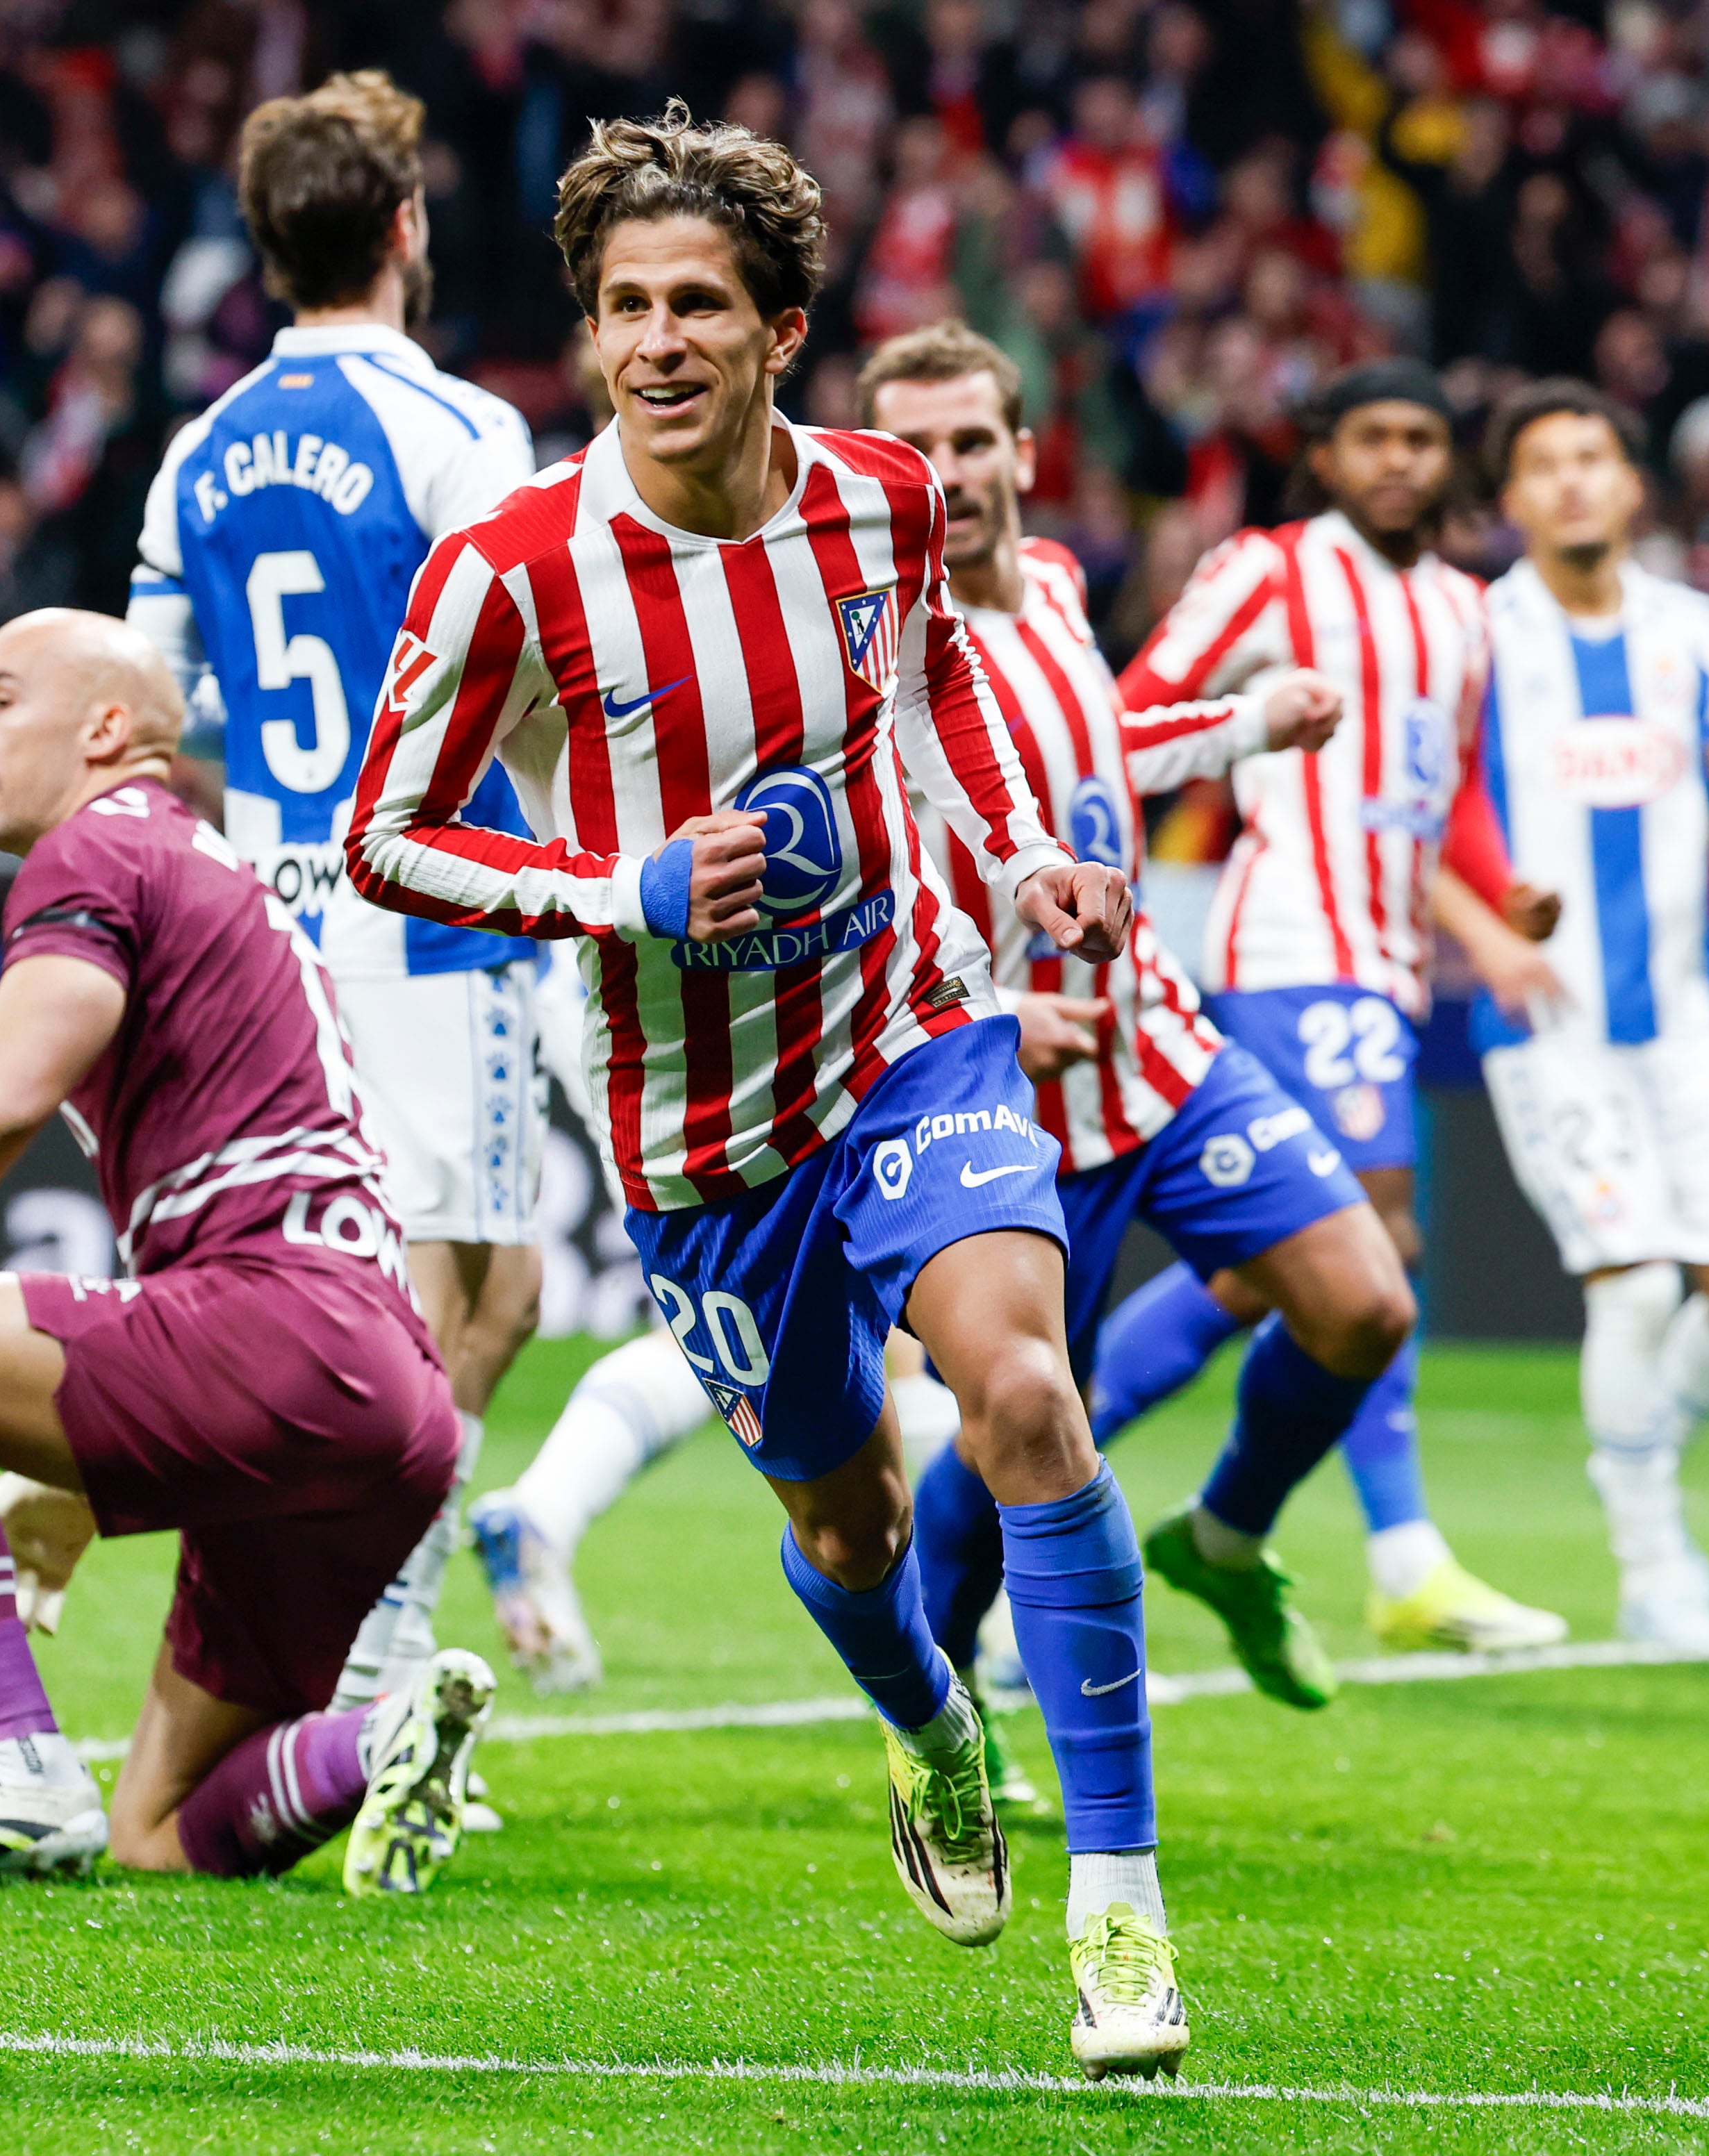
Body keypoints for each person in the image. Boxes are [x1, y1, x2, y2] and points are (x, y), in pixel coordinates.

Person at [347, 106, 1185, 2078]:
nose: (656, 342)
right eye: (624, 306)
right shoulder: (514, 568)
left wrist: (1014, 863)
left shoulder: (885, 503)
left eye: (698, 305)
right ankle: (923, 1725)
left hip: (911, 1032)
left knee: (1031, 1393)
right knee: (847, 1524)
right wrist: (605, 889)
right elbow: (385, 831)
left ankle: (1124, 1923)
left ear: (781, 325)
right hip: (695, 1134)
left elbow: (937, 692)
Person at [464, 325, 1413, 1776]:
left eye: (978, 443)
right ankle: (948, 1705)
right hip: (989, 1069)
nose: (954, 476)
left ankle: (1219, 1541)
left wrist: (1241, 724)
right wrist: (983, 1004)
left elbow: (1090, 740)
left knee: (1361, 1300)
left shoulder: (1054, 596)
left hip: (1150, 1043)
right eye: (927, 447)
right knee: (994, 1422)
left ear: (1024, 454)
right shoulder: (835, 635)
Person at [0, 608, 493, 1898]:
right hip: (391, 1397)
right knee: (161, 1833)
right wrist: (69, 1479)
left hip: (279, 1324)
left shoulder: (96, 850)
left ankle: (8, 1761)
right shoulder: (201, 865)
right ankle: (380, 1738)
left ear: (108, 729)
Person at [108, 72, 547, 1713]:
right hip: (434, 909)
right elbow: (529, 671)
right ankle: (352, 1675)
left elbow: (151, 702)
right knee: (449, 1293)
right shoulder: (458, 430)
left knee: (484, 1286)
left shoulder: (201, 453)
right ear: (408, 228)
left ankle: (337, 1641)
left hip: (277, 912)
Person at [1076, 357, 1571, 1668]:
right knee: (1381, 1237)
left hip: (1391, 963)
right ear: (1328, 455)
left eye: (1422, 437)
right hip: (1292, 942)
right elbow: (1125, 715)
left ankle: (1038, 1480)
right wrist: (1252, 726)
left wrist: (1498, 885)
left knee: (1259, 1274)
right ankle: (1394, 1554)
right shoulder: (1270, 569)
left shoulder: (1468, 610)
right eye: (1372, 439)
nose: (1400, 460)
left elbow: (1448, 785)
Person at [1435, 380, 1709, 1650]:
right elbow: (1409, 814)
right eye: (1543, 466)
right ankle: (1657, 1567)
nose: (1572, 483)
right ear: (1512, 502)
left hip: (1690, 1018)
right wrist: (1490, 935)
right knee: (1640, 1284)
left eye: (1592, 458)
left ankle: (1634, 1461)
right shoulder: (1479, 637)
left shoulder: (1694, 632)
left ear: (1632, 483)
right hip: (1551, 1025)